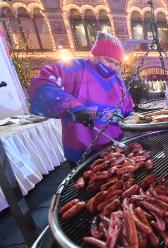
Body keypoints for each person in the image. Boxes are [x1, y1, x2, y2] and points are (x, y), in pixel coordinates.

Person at [29, 32, 134, 166]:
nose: (112, 67)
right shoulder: (74, 69)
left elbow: (127, 109)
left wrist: (132, 118)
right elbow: (42, 84)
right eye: (108, 60)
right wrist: (72, 105)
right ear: (96, 54)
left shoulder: (118, 81)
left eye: (117, 64)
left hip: (115, 150)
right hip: (83, 153)